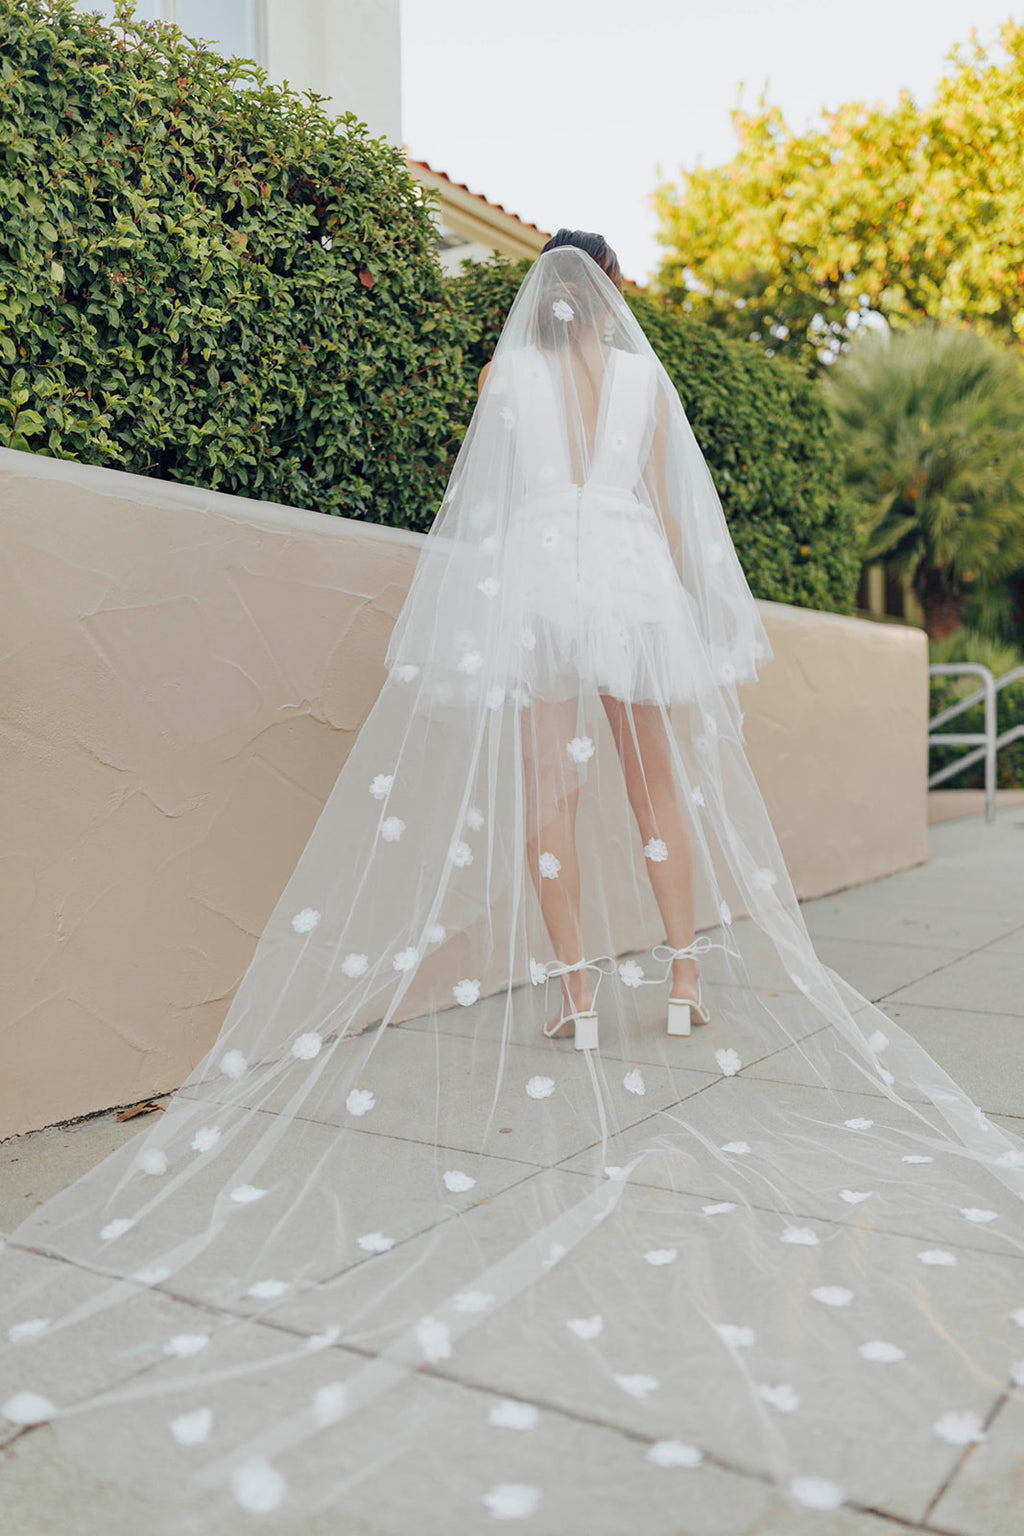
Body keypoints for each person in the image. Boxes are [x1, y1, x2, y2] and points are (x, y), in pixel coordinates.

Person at [1, 235, 1022, 1536]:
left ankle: (580, 992)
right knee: (656, 787)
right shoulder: (648, 387)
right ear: (613, 294)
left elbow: (481, 502)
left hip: (540, 573)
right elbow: (662, 506)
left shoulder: (508, 379)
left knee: (550, 790)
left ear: (541, 296)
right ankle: (689, 972)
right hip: (628, 574)